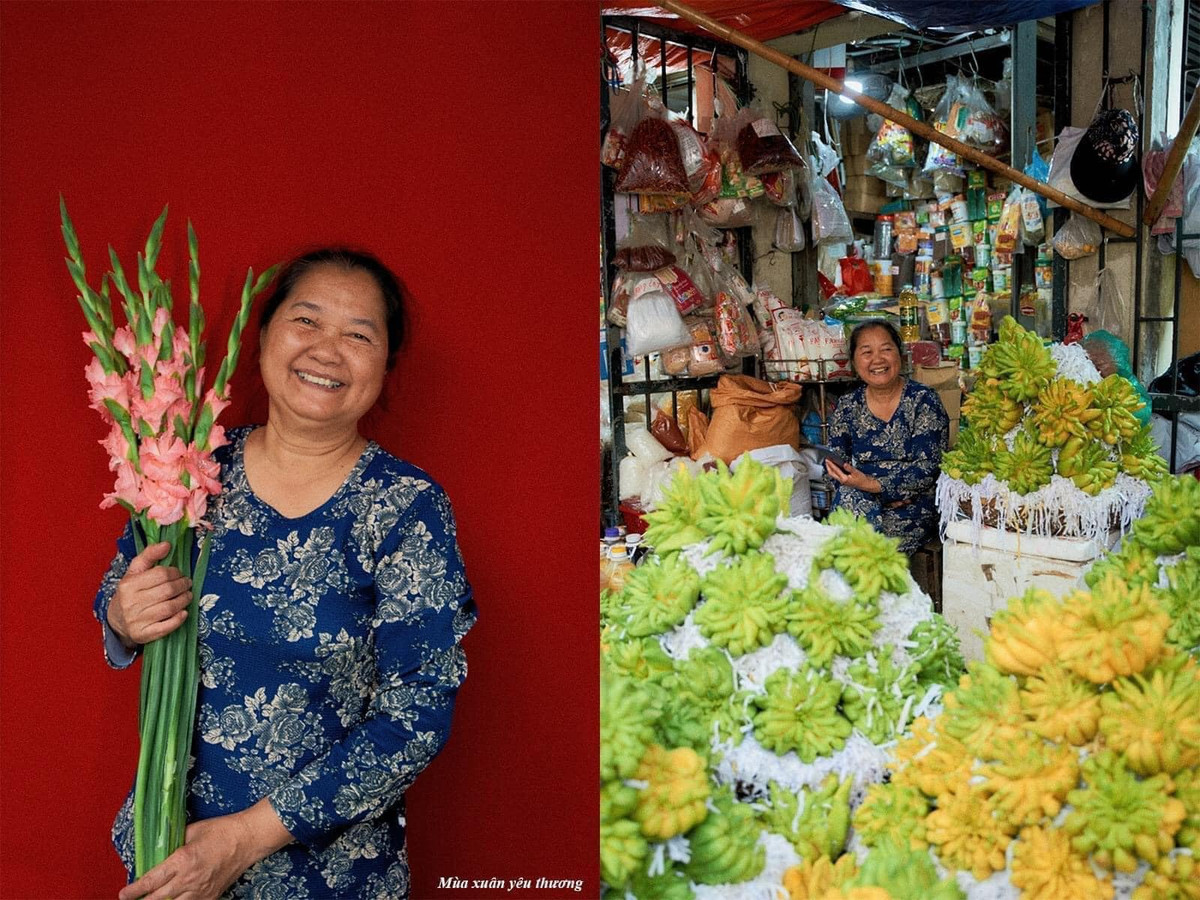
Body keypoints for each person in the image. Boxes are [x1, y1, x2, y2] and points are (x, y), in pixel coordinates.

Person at [94, 248, 477, 900]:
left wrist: (241, 839)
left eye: (359, 334)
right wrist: (121, 615)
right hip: (170, 858)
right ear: (265, 335)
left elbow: (415, 717)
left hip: (329, 878)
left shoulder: (405, 508)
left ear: (386, 364)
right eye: (307, 321)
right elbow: (121, 585)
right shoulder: (193, 467)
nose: (328, 350)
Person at [823, 320, 949, 555]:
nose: (877, 360)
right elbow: (833, 465)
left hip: (912, 507)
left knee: (860, 546)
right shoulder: (848, 406)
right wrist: (867, 492)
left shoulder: (923, 400)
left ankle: (855, 585)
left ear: (900, 356)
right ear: (854, 363)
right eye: (867, 352)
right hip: (860, 500)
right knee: (851, 512)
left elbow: (929, 468)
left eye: (886, 349)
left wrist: (877, 486)